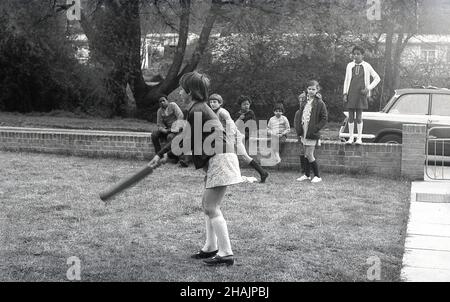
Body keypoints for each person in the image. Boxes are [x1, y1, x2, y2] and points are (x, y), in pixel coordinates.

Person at [149, 71, 241, 266]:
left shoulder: (197, 109)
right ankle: (211, 247)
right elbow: (185, 136)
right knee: (207, 206)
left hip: (220, 158)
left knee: (211, 206)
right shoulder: (197, 109)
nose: (180, 93)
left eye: (182, 89)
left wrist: (166, 156)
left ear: (190, 91)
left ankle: (226, 253)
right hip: (216, 158)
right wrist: (162, 154)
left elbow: (186, 139)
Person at [209, 93, 269, 183]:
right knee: (231, 156)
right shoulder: (213, 112)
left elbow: (231, 125)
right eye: (211, 102)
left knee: (244, 157)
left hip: (234, 136)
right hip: (226, 137)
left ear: (220, 103)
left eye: (214, 102)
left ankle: (262, 172)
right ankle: (262, 172)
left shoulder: (222, 112)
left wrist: (231, 139)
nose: (212, 104)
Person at [343, 46, 380, 145]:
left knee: (359, 116)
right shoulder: (349, 65)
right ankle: (351, 138)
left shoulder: (367, 66)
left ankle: (359, 138)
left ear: (363, 55)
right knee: (350, 116)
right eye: (354, 54)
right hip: (351, 93)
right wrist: (345, 93)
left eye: (358, 54)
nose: (356, 56)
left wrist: (368, 88)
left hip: (361, 93)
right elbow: (346, 80)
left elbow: (377, 78)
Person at [294, 80, 328, 183]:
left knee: (309, 154)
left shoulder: (320, 103)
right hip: (304, 131)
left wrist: (316, 128)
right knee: (305, 154)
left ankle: (317, 176)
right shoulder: (304, 101)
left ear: (317, 90)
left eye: (313, 89)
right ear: (306, 90)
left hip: (312, 132)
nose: (311, 91)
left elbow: (324, 118)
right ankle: (307, 175)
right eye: (309, 89)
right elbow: (301, 115)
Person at [151, 95, 184, 161]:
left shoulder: (173, 105)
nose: (162, 102)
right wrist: (163, 129)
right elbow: (159, 123)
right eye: (160, 102)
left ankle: (175, 157)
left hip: (176, 128)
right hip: (167, 129)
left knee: (170, 137)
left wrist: (175, 128)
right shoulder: (159, 111)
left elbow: (180, 116)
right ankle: (159, 155)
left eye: (163, 100)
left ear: (167, 101)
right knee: (154, 135)